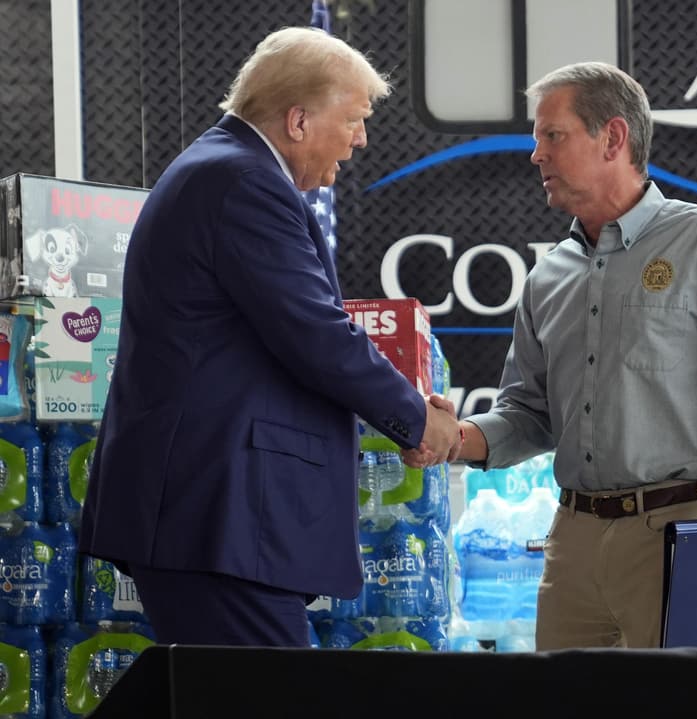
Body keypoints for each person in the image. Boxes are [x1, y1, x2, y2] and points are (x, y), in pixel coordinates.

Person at [78, 26, 462, 648]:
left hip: (214, 521)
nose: (362, 137)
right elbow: (315, 335)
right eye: (356, 118)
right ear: (299, 120)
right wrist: (418, 419)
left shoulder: (223, 169)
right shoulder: (241, 182)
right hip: (218, 519)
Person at [448, 61, 697, 650]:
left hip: (684, 535)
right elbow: (528, 415)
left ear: (613, 137)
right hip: (572, 543)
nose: (535, 154)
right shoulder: (547, 276)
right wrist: (452, 437)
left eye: (552, 135)